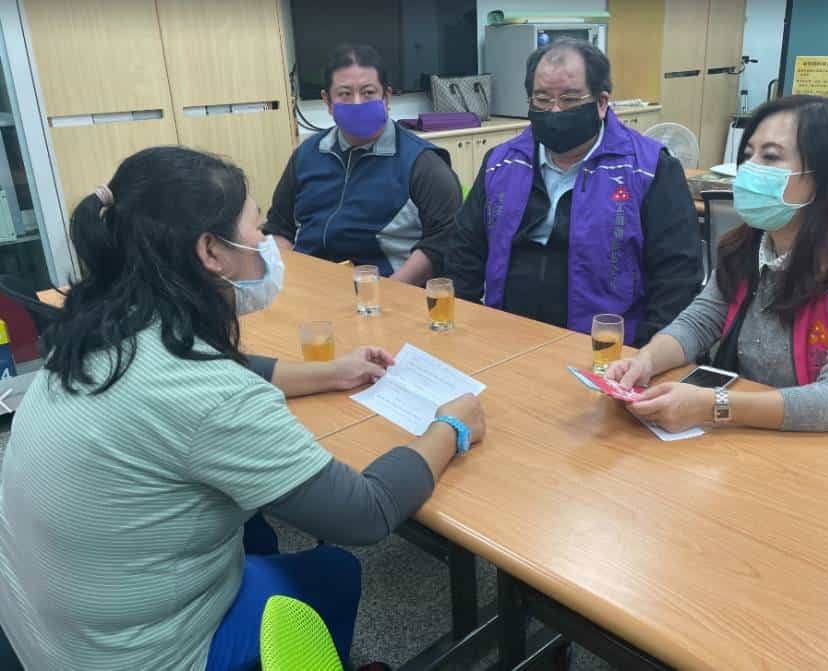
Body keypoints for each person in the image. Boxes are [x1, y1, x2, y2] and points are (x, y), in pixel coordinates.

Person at [0, 146, 486, 671]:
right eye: (256, 227)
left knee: (254, 530)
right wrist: (450, 425)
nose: (266, 244)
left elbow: (211, 371)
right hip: (131, 657)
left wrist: (331, 372)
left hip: (38, 629)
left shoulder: (98, 328)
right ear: (211, 251)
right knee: (335, 571)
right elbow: (366, 513)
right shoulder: (212, 395)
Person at [607, 95, 828, 432]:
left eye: (770, 157)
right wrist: (646, 360)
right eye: (748, 155)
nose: (749, 169)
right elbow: (699, 323)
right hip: (755, 426)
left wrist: (713, 406)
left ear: (827, 176)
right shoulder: (749, 245)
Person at [445, 39, 703, 346]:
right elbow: (465, 251)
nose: (554, 111)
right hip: (504, 334)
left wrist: (644, 353)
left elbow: (677, 276)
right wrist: (466, 327)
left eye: (569, 99)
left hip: (606, 348)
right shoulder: (501, 162)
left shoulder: (650, 169)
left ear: (602, 103)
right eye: (542, 99)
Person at [264, 44, 460, 285]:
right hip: (309, 286)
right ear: (328, 101)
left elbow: (443, 239)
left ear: (386, 97)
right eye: (345, 94)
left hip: (386, 290)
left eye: (368, 93)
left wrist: (387, 293)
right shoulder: (306, 155)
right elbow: (279, 227)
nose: (357, 103)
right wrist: (287, 278)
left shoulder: (423, 163)